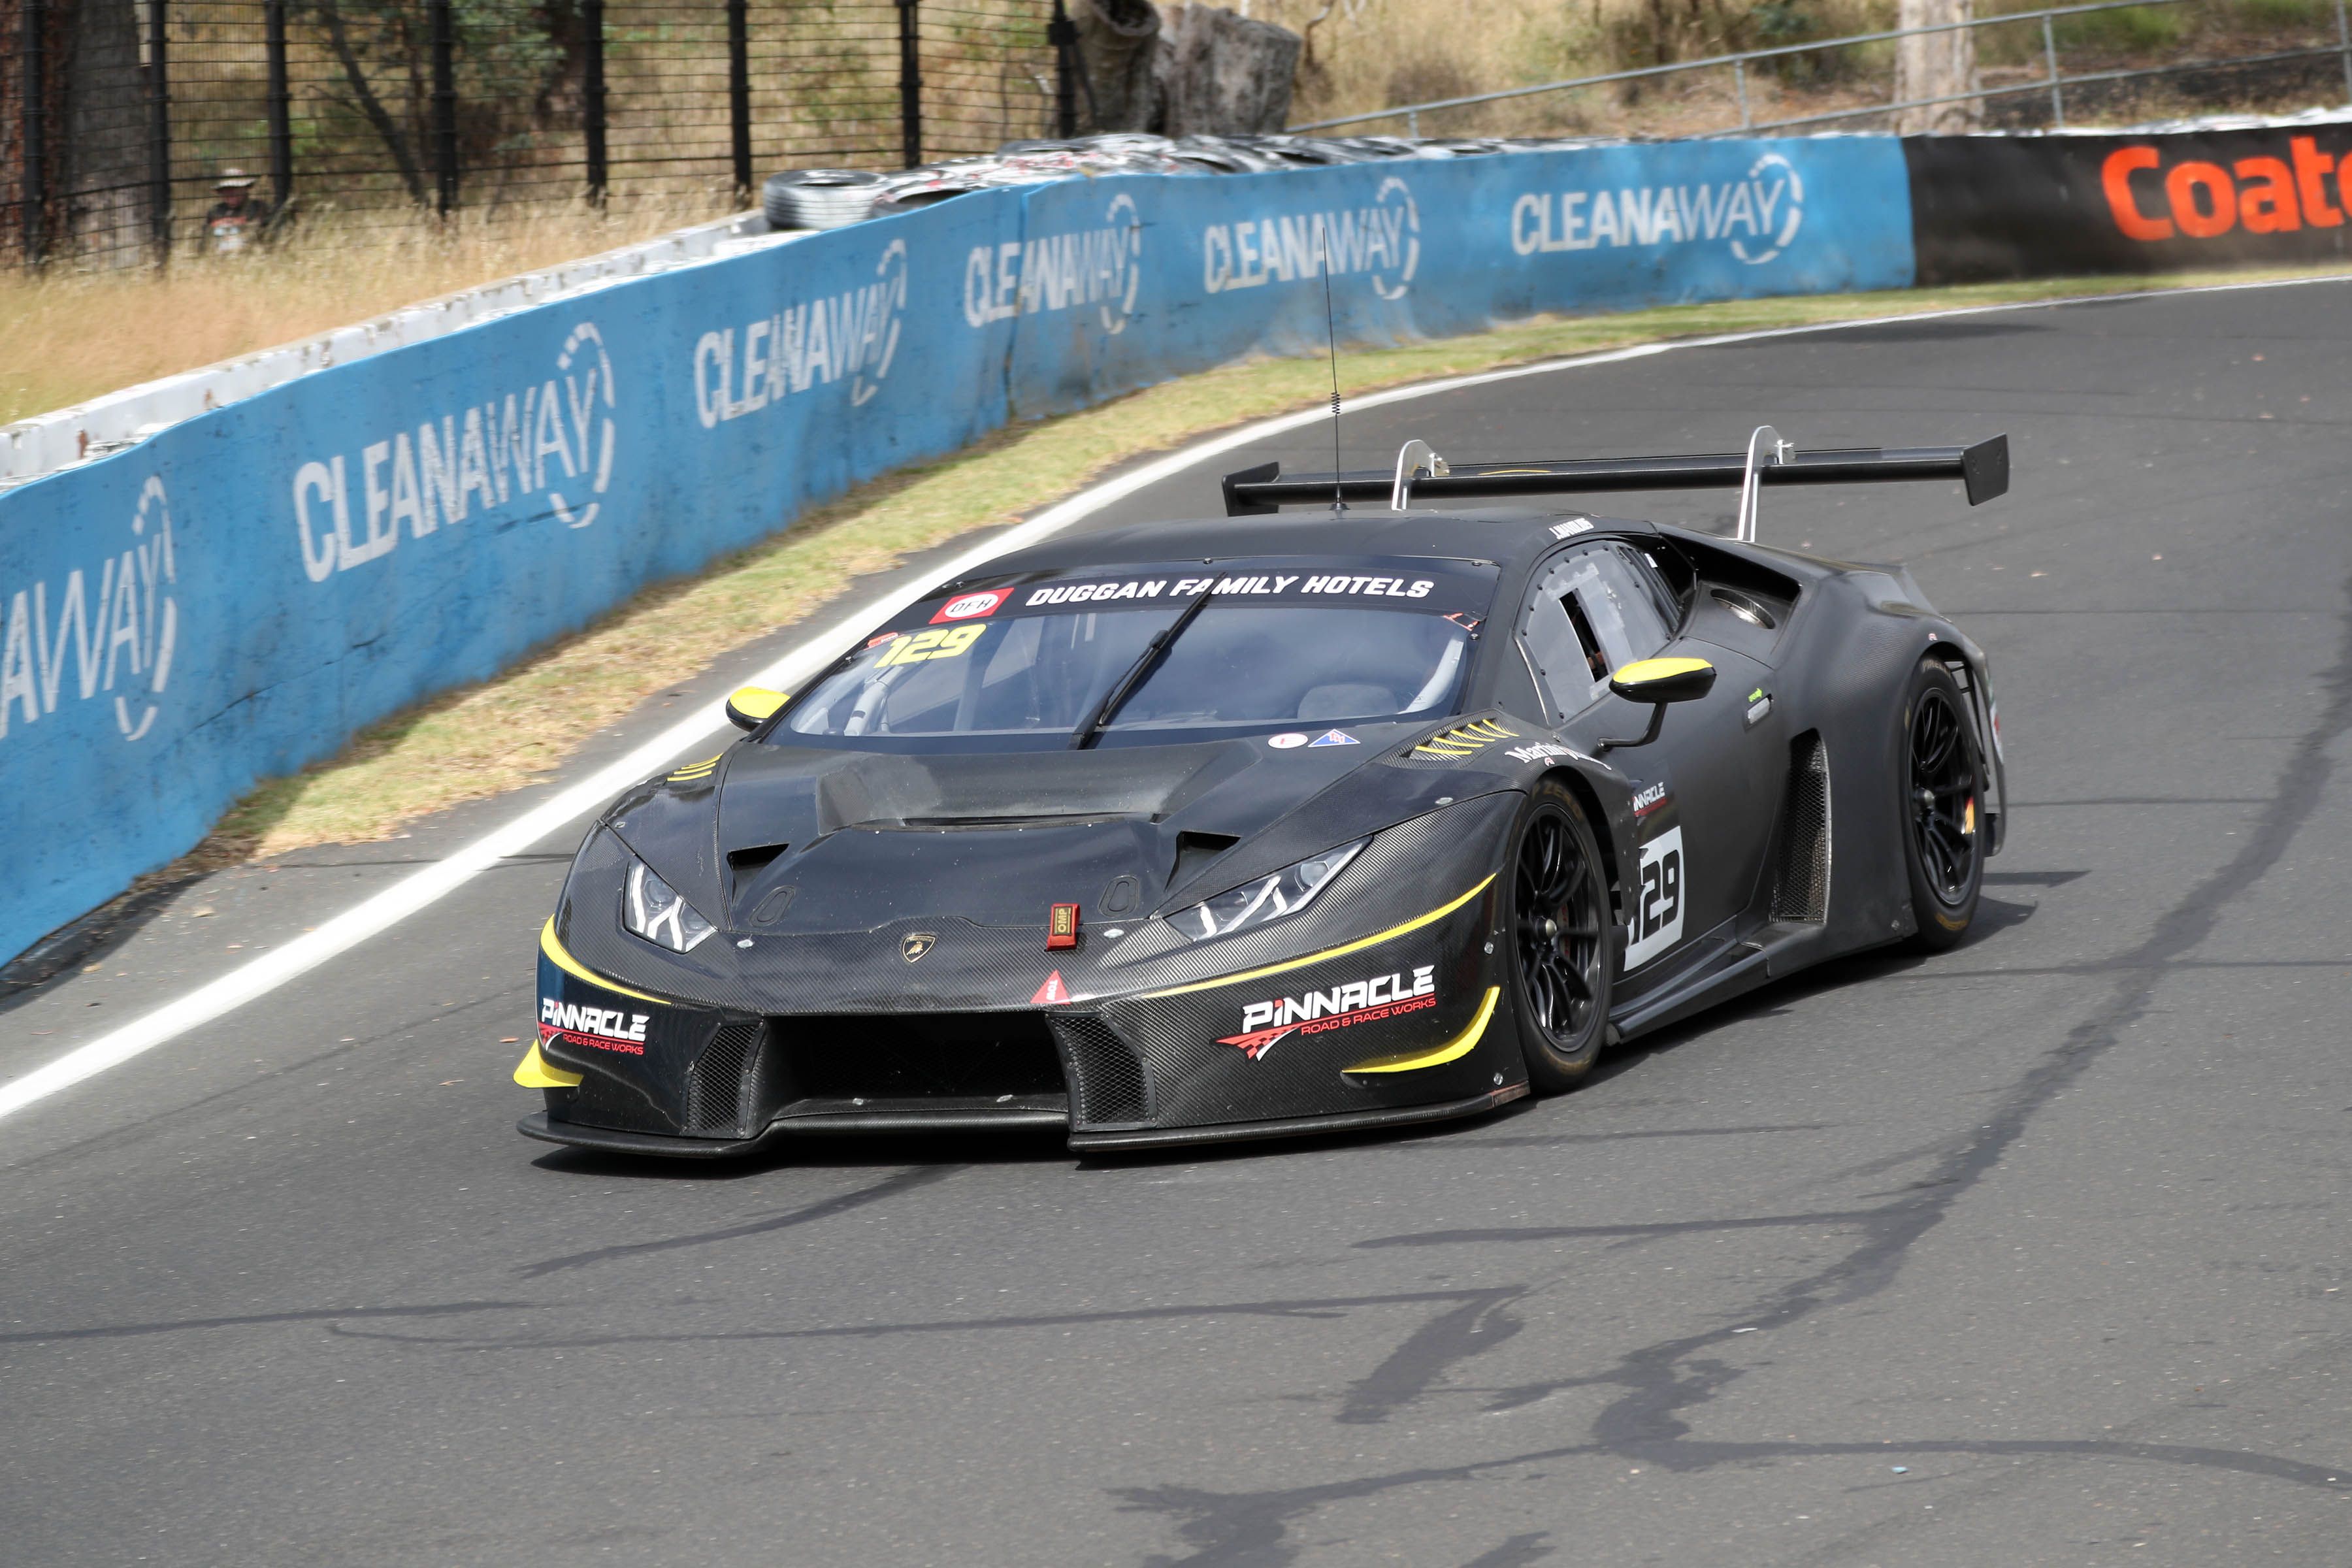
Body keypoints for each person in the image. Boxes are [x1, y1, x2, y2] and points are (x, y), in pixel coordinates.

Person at [200, 170, 272, 254]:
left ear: (246, 189)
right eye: (226, 189)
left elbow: (269, 240)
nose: (230, 193)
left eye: (235, 188)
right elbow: (205, 244)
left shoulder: (259, 207)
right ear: (221, 192)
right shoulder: (215, 211)